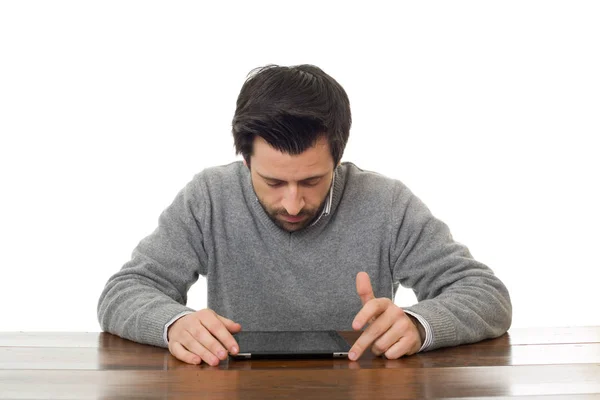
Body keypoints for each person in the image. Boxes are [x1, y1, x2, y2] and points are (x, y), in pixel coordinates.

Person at [97, 64, 512, 366]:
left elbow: (486, 295)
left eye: (312, 181)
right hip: (236, 390)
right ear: (245, 161)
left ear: (338, 158)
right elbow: (123, 292)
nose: (293, 204)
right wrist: (174, 324)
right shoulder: (209, 196)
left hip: (361, 390)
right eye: (273, 182)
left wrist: (419, 324)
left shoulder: (386, 203)